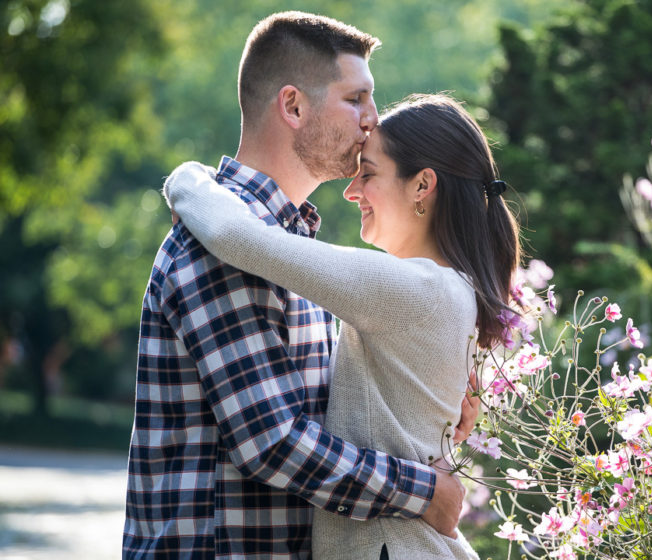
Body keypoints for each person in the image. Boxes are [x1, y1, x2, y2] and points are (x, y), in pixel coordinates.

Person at [123, 12, 474, 559]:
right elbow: (271, 441)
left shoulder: (288, 249)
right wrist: (423, 492)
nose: (372, 120)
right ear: (292, 106)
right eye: (356, 99)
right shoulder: (222, 245)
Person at [164, 93, 521, 559]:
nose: (351, 192)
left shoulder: (414, 289)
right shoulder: (449, 289)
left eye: (367, 174)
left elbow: (239, 238)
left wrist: (186, 178)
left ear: (422, 186)